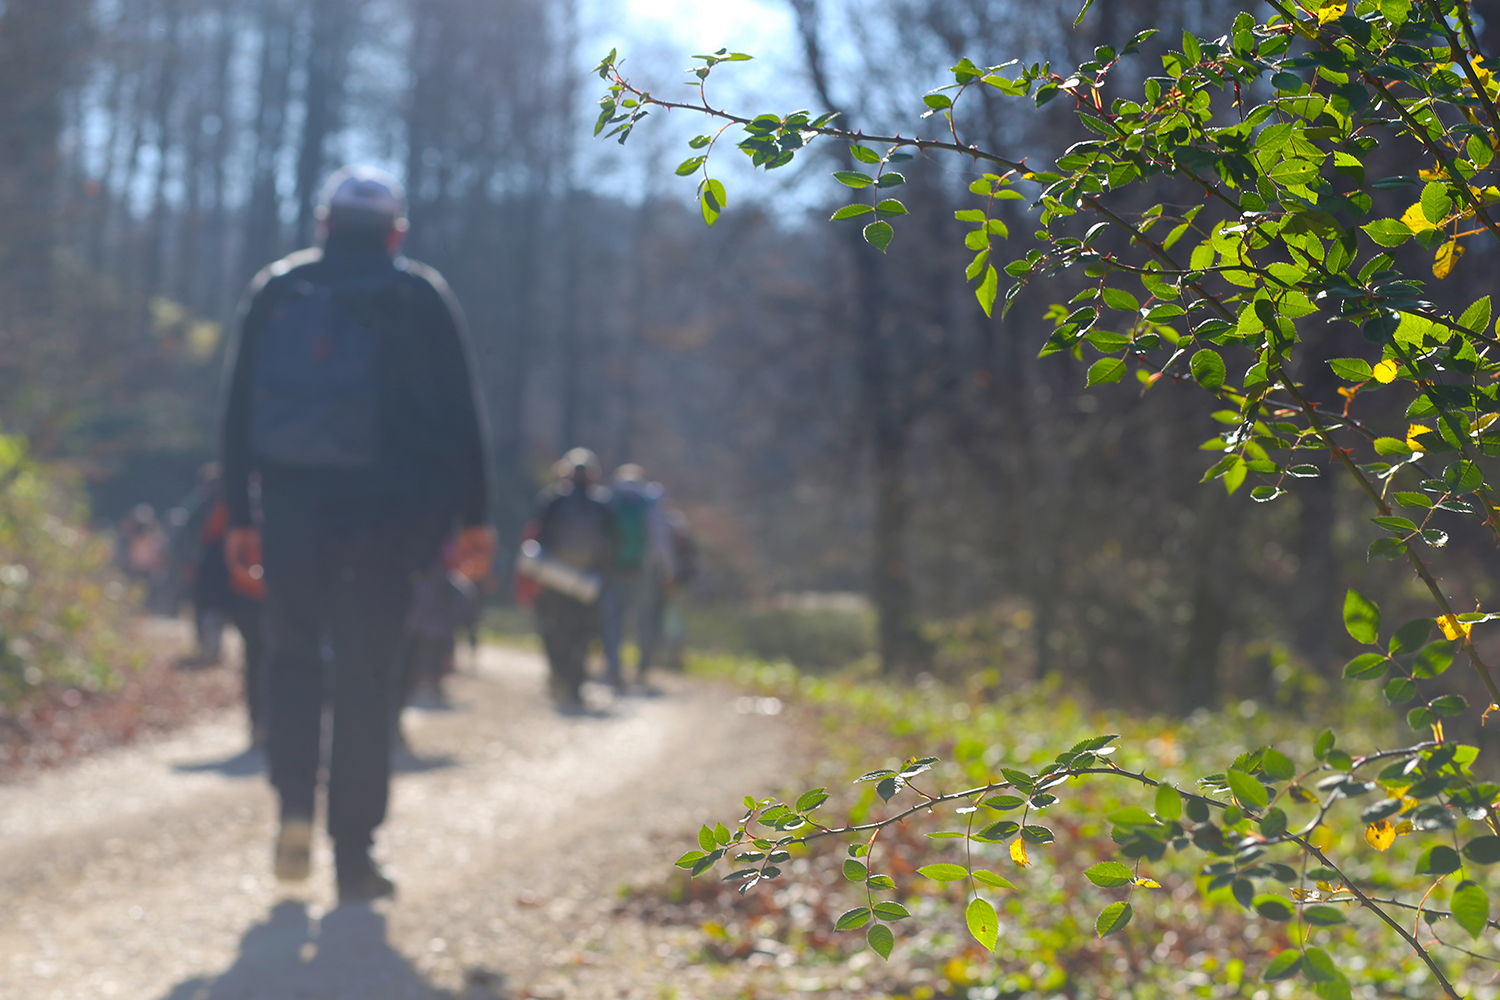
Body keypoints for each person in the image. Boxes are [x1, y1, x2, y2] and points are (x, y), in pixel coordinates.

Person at [220, 165, 493, 903]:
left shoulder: (279, 288)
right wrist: (475, 518)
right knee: (368, 678)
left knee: (293, 657)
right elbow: (462, 417)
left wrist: (240, 518)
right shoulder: (419, 295)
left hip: (292, 514)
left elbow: (238, 406)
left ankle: (292, 813)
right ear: (396, 232)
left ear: (323, 223)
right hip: (389, 524)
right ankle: (353, 855)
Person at [523, 449, 614, 711]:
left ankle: (559, 677)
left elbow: (538, 535)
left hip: (554, 579)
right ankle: (575, 685)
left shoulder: (553, 499)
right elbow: (612, 544)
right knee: (582, 634)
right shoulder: (603, 503)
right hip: (589, 582)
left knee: (554, 630)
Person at [602, 465, 674, 693]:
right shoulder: (648, 502)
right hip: (643, 571)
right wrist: (668, 570)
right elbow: (660, 540)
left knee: (614, 622)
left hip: (613, 571)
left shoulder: (609, 500)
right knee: (644, 620)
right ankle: (642, 666)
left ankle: (614, 668)